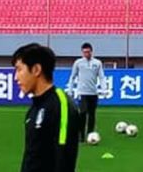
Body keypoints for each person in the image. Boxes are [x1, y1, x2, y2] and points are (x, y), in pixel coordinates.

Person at [14, 42, 80, 172]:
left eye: (19, 69)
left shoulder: (61, 104)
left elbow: (64, 157)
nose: (16, 77)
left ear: (36, 70)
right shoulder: (34, 108)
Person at [68, 42, 106, 143]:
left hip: (93, 93)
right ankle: (81, 136)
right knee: (83, 113)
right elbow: (73, 76)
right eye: (84, 52)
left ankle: (90, 134)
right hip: (82, 92)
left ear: (91, 52)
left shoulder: (97, 63)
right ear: (82, 52)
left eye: (88, 52)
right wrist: (70, 90)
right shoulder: (78, 63)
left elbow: (101, 77)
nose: (86, 54)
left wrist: (104, 89)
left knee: (92, 114)